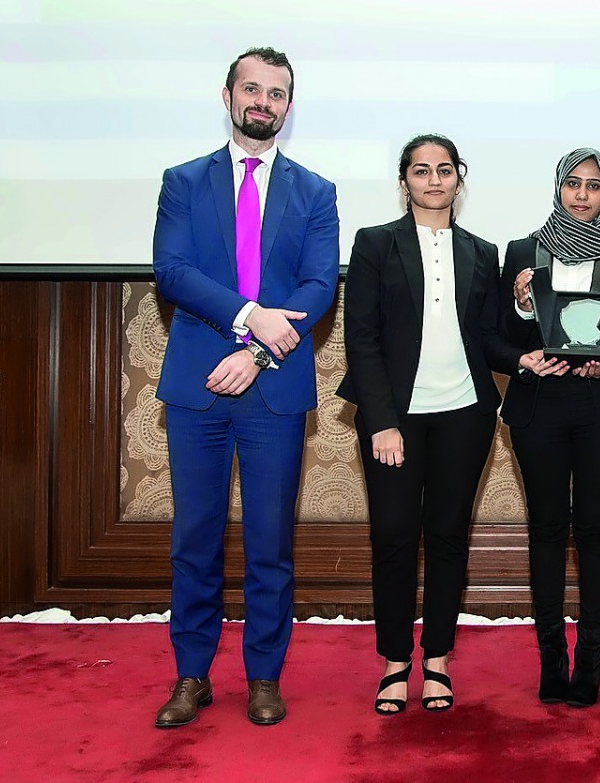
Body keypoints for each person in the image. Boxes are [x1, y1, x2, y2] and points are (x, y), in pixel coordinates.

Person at [152, 47, 340, 728]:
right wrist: (247, 315)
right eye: (252, 89)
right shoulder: (182, 182)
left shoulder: (316, 192)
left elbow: (319, 286)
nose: (264, 102)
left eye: (277, 93)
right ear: (228, 96)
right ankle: (191, 676)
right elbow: (170, 271)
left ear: (289, 107)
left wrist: (258, 349)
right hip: (197, 385)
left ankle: (264, 675)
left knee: (270, 543)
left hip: (273, 390)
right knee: (194, 540)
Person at [337, 134, 517, 714]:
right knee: (392, 535)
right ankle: (394, 662)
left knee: (447, 536)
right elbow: (360, 338)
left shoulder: (481, 251)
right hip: (395, 419)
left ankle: (436, 659)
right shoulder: (374, 244)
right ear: (405, 180)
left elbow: (488, 337)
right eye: (421, 171)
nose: (433, 180)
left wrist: (524, 330)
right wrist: (382, 422)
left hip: (465, 414)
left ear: (458, 178)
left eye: (444, 170)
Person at [501, 148, 600, 707]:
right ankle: (551, 659)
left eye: (594, 186)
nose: (582, 194)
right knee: (544, 530)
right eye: (573, 183)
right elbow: (498, 336)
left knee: (594, 531)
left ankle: (589, 658)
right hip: (539, 405)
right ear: (558, 188)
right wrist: (521, 309)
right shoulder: (522, 252)